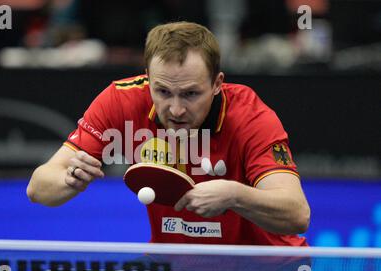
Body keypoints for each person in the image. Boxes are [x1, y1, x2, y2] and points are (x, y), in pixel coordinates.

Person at [26, 21, 310, 246]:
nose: (175, 109)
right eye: (162, 91)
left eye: (190, 94)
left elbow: (297, 213)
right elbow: (37, 189)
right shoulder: (120, 102)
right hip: (176, 268)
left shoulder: (251, 117)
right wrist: (69, 180)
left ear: (216, 83)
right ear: (148, 76)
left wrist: (234, 195)